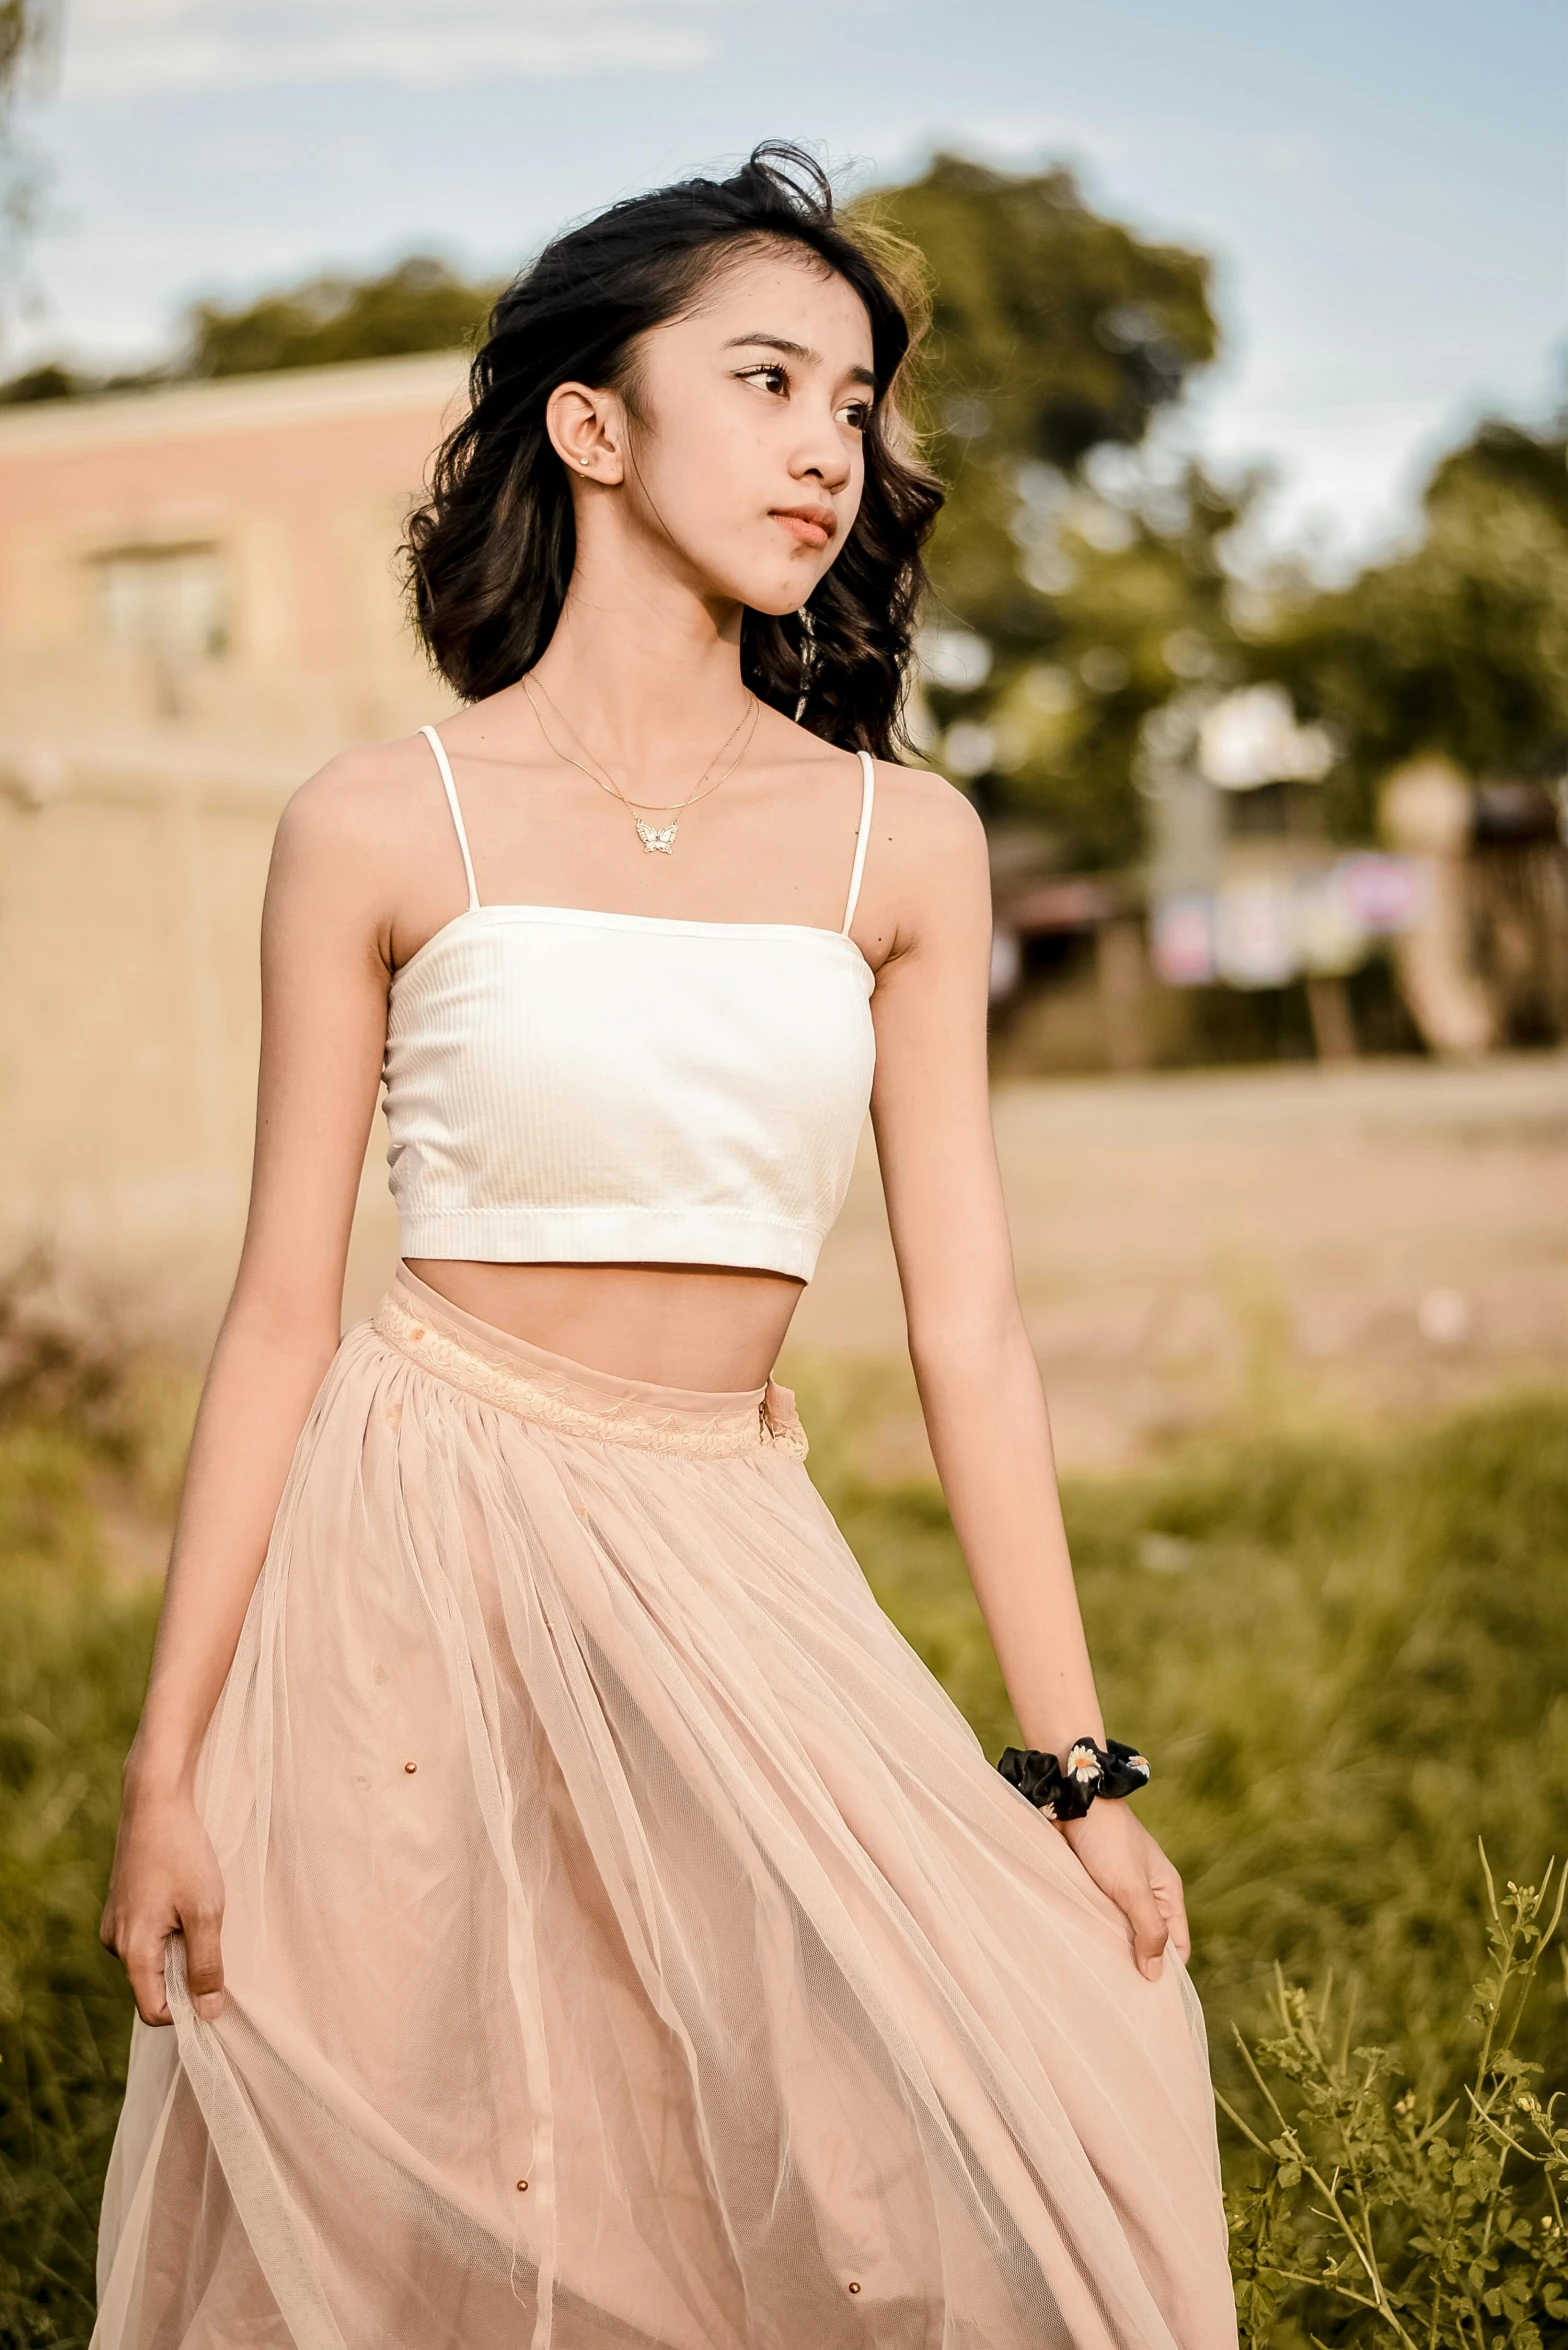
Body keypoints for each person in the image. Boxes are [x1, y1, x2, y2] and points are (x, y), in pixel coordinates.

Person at [94, 146, 1238, 2349]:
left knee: (968, 2094)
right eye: (770, 376)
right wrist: (169, 1766)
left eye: (856, 401)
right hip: (413, 1538)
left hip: (733, 1542)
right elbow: (276, 1314)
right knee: (445, 2158)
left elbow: (973, 1327)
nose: (831, 442)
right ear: (590, 423)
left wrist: (1074, 1766)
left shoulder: (902, 838)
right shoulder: (375, 816)